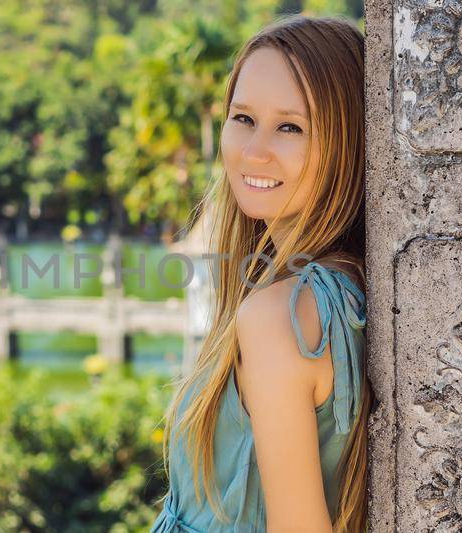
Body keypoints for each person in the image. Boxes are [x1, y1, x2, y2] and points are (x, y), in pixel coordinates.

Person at [154, 15, 370, 533]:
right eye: (244, 118)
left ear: (347, 142)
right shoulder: (342, 289)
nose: (253, 150)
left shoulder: (280, 317)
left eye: (290, 127)